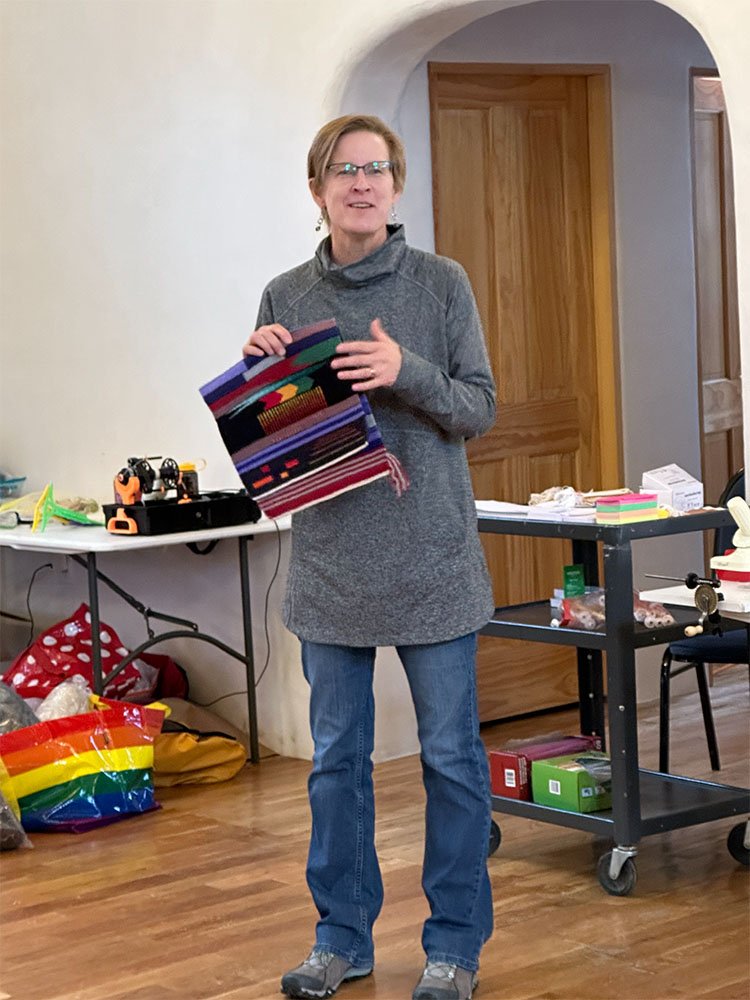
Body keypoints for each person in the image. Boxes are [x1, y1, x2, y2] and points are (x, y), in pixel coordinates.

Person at [243, 114, 496, 1000]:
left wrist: (405, 370)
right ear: (317, 191)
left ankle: (455, 946)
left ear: (396, 188)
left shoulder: (441, 283)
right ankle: (340, 940)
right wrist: (257, 381)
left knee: (451, 760)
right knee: (335, 763)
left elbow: (477, 407)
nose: (361, 182)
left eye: (377, 169)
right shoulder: (283, 295)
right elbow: (275, 441)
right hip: (328, 569)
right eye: (343, 170)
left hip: (432, 565)